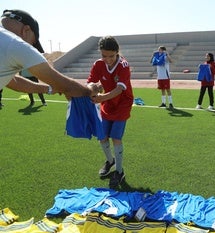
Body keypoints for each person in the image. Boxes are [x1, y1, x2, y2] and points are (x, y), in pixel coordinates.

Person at [0, 9, 99, 99]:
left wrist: (49, 88)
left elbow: (13, 81)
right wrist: (90, 90)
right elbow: (66, 86)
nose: (31, 46)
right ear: (26, 30)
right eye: (33, 42)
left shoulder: (5, 40)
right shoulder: (17, 45)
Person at [88, 36, 134, 189]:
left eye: (111, 56)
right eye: (104, 55)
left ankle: (119, 171)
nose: (107, 59)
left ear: (117, 52)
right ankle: (110, 161)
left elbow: (120, 88)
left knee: (116, 138)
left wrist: (101, 97)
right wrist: (90, 91)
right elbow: (91, 83)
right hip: (107, 103)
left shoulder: (123, 65)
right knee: (102, 136)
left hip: (122, 104)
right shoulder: (98, 64)